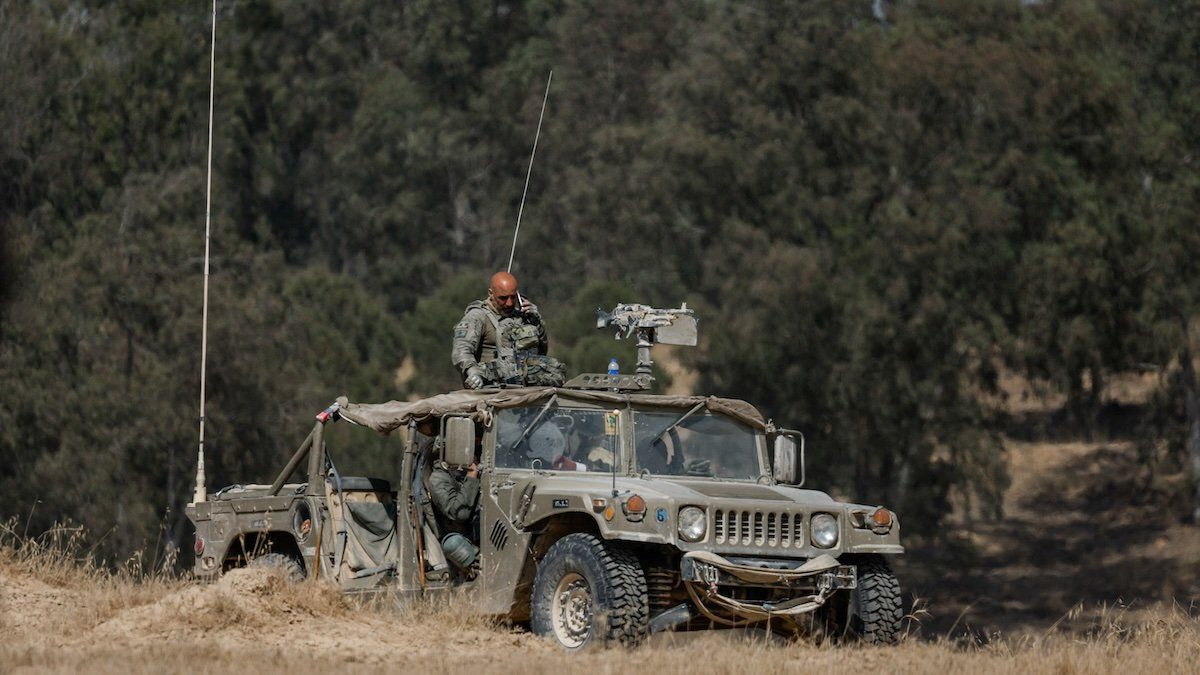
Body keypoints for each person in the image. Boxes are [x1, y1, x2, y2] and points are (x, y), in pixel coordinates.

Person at [452, 271, 549, 389]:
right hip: (490, 390)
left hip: (525, 390)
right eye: (503, 298)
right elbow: (461, 349)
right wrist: (472, 371)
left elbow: (542, 351)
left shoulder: (522, 316)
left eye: (513, 297)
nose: (509, 303)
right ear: (491, 294)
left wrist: (537, 322)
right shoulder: (478, 317)